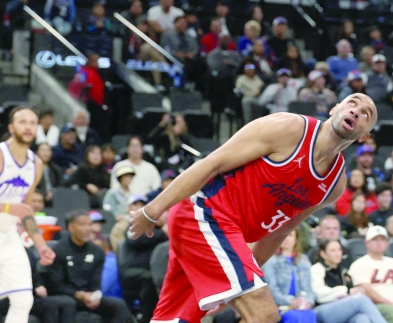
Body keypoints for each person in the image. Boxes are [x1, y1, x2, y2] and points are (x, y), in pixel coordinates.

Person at [128, 96, 378, 323]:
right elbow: (211, 164)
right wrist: (151, 211)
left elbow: (279, 233)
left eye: (366, 114)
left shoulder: (334, 184)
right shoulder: (289, 128)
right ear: (336, 107)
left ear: (363, 136)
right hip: (204, 214)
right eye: (353, 103)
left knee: (175, 319)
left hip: (227, 234)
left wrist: (242, 282)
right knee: (264, 314)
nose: (357, 112)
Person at [0, 107, 56, 323]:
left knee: (23, 300)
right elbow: (12, 208)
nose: (28, 126)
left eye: (33, 122)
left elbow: (25, 209)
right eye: (23, 122)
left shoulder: (36, 164)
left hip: (8, 236)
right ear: (11, 128)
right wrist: (5, 208)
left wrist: (41, 245)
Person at [46, 210, 131, 323]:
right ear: (71, 227)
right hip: (67, 296)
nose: (87, 228)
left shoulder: (97, 251)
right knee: (68, 304)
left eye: (89, 224)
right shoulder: (58, 250)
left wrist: (95, 295)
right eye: (82, 224)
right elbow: (56, 285)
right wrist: (78, 295)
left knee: (119, 305)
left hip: (87, 297)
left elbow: (96, 282)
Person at [308, 238, 391, 323]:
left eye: (339, 250)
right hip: (321, 310)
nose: (338, 254)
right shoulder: (317, 269)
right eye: (333, 250)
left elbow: (350, 293)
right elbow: (318, 294)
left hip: (342, 309)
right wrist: (346, 291)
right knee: (360, 300)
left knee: (362, 318)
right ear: (323, 254)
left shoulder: (344, 272)